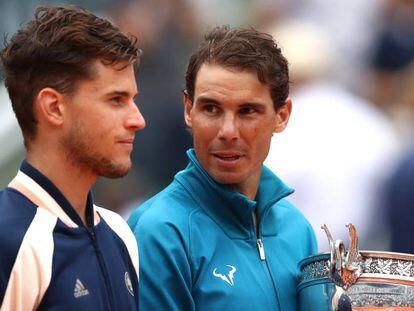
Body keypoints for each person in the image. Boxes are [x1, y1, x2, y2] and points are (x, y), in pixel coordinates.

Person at [128, 26, 317, 310]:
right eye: (211, 109)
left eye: (247, 111)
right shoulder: (158, 232)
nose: (228, 131)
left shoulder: (297, 228)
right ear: (188, 110)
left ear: (282, 115)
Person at [0, 6, 145, 310]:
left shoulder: (120, 233)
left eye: (133, 100)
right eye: (116, 100)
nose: (137, 119)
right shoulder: (7, 238)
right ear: (53, 107)